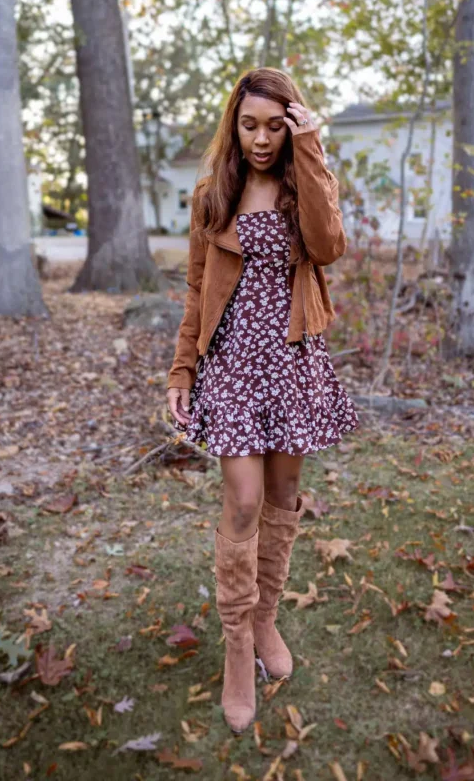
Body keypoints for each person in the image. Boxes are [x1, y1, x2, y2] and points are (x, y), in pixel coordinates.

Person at [166, 67, 358, 734]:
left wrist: (310, 151)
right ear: (233, 124)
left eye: (275, 125)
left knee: (280, 498)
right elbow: (196, 291)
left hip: (292, 360)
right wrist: (181, 369)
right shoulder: (213, 196)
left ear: (293, 124)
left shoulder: (304, 185)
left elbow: (329, 245)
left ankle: (266, 615)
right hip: (233, 367)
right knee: (242, 500)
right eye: (249, 124)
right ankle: (237, 647)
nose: (260, 138)